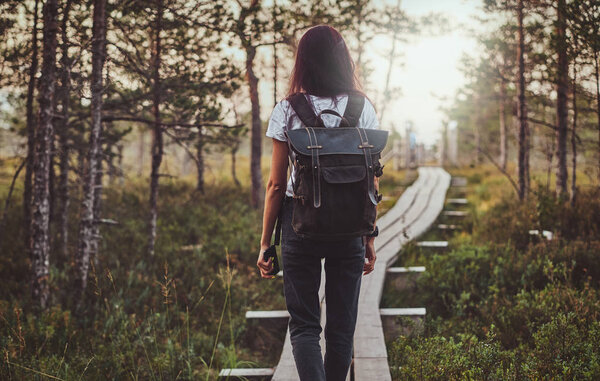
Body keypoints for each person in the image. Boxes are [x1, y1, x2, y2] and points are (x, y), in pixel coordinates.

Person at [256, 25, 380, 381]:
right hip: (350, 225)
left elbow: (277, 184)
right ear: (343, 59)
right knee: (342, 328)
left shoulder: (288, 110)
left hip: (300, 223)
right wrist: (369, 235)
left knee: (305, 326)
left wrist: (267, 243)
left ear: (303, 62)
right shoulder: (362, 107)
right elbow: (371, 180)